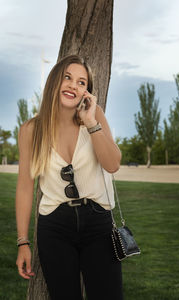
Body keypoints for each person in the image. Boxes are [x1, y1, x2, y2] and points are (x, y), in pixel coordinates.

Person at [15, 54, 123, 300]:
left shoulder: (96, 118)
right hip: (55, 227)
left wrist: (91, 122)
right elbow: (24, 187)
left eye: (81, 82)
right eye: (68, 77)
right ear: (55, 81)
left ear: (87, 92)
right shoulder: (31, 130)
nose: (73, 85)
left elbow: (113, 164)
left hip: (98, 222)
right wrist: (23, 242)